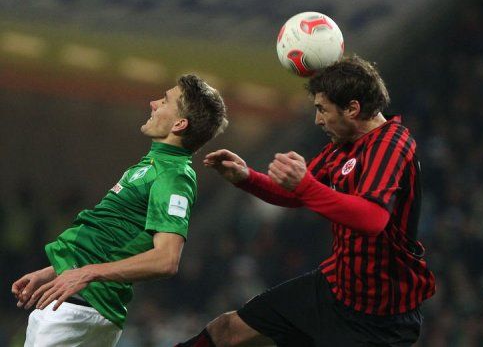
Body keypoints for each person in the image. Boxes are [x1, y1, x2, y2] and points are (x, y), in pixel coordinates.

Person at [175, 55, 436, 347]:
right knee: (227, 329)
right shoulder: (343, 146)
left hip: (380, 320)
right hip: (334, 289)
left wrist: (305, 184)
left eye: (322, 110)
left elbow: (372, 218)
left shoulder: (391, 145)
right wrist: (245, 176)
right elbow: (296, 193)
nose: (318, 120)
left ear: (352, 108)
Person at [11, 74, 228, 347]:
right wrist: (54, 270)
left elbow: (166, 259)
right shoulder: (151, 165)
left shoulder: (174, 176)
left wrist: (88, 273)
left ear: (179, 123)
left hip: (81, 309)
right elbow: (109, 237)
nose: (152, 103)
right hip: (71, 303)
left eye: (164, 101)